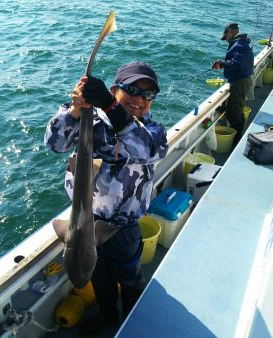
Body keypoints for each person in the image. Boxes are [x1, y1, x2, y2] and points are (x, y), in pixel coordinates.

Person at [44, 61, 168, 337]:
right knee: (99, 277)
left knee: (130, 276)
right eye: (133, 90)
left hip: (124, 226)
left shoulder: (153, 132)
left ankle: (133, 320)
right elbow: (54, 144)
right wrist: (76, 109)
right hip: (88, 221)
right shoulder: (91, 119)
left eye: (148, 95)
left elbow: (148, 152)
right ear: (114, 89)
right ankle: (108, 313)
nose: (139, 100)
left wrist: (111, 106)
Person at [212, 22, 254, 146]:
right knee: (234, 109)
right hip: (240, 80)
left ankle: (237, 142)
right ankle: (239, 137)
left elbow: (237, 64)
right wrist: (223, 63)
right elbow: (238, 62)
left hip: (240, 81)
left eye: (225, 37)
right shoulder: (241, 43)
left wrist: (223, 64)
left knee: (235, 113)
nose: (226, 40)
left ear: (230, 31)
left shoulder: (239, 44)